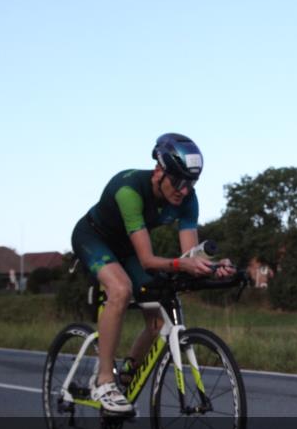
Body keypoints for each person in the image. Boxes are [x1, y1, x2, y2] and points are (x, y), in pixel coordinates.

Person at [70, 133, 234, 414]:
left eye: (191, 182)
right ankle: (105, 380)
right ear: (159, 170)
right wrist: (184, 265)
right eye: (178, 181)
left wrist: (213, 267)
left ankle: (127, 373)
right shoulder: (129, 191)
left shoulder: (187, 200)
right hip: (94, 239)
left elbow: (188, 258)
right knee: (120, 290)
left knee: (160, 316)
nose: (184, 190)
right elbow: (147, 260)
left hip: (126, 249)